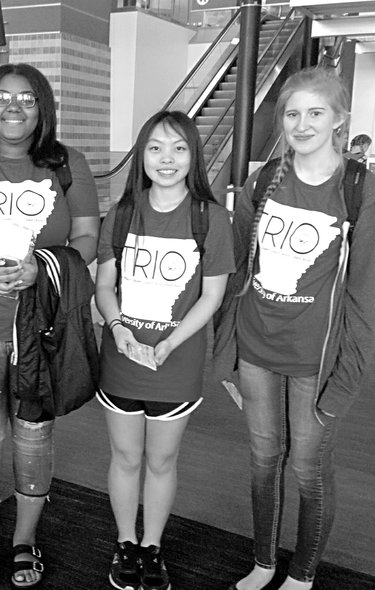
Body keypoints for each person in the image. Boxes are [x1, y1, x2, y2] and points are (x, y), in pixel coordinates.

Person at [213, 67, 375, 590]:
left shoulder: (360, 190)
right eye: (292, 113)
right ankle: (264, 561)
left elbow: (362, 299)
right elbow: (237, 264)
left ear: (339, 120)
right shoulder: (263, 180)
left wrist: (346, 383)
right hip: (258, 349)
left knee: (309, 469)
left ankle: (303, 572)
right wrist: (227, 353)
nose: (302, 124)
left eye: (316, 113)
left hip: (317, 361)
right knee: (264, 460)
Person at [0, 63, 100, 589]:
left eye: (27, 99)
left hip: (40, 333)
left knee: (33, 436)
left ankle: (25, 540)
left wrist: (44, 267)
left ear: (43, 108)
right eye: (2, 98)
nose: (14, 107)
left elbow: (86, 240)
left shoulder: (67, 164)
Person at [94, 111, 234, 590]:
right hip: (123, 359)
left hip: (177, 363)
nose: (166, 159)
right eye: (155, 148)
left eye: (178, 148)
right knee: (126, 456)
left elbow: (212, 296)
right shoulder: (123, 212)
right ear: (142, 155)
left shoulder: (210, 218)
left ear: (193, 155)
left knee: (161, 461)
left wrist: (171, 341)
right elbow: (105, 284)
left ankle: (152, 545)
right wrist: (118, 330)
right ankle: (126, 542)